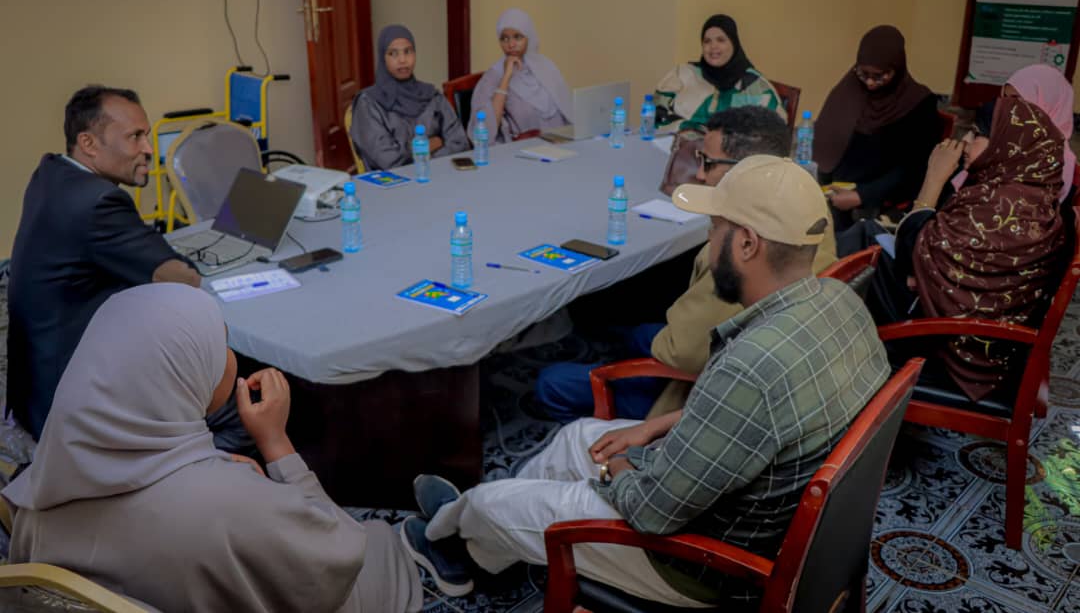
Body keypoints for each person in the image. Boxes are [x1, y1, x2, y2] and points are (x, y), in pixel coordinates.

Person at [401, 157, 890, 609]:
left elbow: (651, 512)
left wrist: (619, 467)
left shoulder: (750, 366)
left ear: (746, 244)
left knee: (493, 500)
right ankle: (484, 545)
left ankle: (453, 539)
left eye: (714, 228)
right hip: (747, 506)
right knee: (576, 436)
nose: (709, 242)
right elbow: (766, 416)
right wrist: (655, 428)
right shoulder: (840, 301)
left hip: (696, 562)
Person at [3, 284, 423, 613]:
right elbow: (335, 557)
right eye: (217, 345)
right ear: (179, 371)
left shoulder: (45, 480)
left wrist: (225, 477)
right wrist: (275, 442)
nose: (228, 356)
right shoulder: (229, 502)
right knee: (379, 543)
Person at [534, 107, 838, 423]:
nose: (700, 174)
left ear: (745, 169)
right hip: (777, 346)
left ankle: (601, 433)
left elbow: (682, 353)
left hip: (695, 395)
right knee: (639, 334)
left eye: (708, 162)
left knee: (552, 383)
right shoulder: (808, 205)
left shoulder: (738, 253)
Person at [6, 85, 203, 441]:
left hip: (32, 387)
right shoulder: (99, 201)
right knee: (225, 396)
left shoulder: (50, 173)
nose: (148, 149)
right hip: (70, 404)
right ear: (89, 143)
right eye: (135, 137)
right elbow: (185, 280)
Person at [864, 95, 1067, 402]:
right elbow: (930, 249)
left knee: (865, 263)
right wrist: (926, 269)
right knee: (868, 244)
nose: (967, 142)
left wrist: (934, 178)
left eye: (976, 133)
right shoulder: (1025, 197)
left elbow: (911, 251)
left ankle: (855, 370)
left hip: (961, 358)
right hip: (978, 336)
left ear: (1006, 144)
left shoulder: (1002, 207)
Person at [815, 25, 942, 234]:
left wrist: (862, 195)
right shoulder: (850, 90)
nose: (870, 83)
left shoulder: (919, 105)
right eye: (863, 73)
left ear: (897, 68)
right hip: (837, 194)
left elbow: (914, 169)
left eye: (880, 75)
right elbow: (826, 143)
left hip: (881, 202)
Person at [350, 24, 470, 170]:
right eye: (393, 53)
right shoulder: (368, 103)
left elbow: (460, 143)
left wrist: (418, 155)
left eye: (408, 51)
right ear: (382, 58)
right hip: (395, 182)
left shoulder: (431, 96)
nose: (403, 60)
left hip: (438, 175)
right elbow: (389, 161)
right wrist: (433, 143)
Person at [958, 63, 1076, 202]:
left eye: (1017, 100)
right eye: (1005, 98)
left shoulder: (1058, 163)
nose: (1008, 107)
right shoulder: (1002, 143)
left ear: (1047, 104)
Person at [654, 14, 785, 132]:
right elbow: (655, 113)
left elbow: (774, 133)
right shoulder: (683, 74)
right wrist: (689, 129)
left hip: (733, 151)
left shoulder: (755, 86)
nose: (713, 46)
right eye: (707, 41)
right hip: (676, 147)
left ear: (734, 43)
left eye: (721, 40)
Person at [468, 8, 571, 142]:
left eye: (517, 37)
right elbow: (482, 133)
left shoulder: (546, 67)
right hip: (522, 149)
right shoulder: (492, 77)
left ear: (529, 37)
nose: (511, 45)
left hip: (560, 143)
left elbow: (568, 113)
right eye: (504, 38)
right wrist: (506, 78)